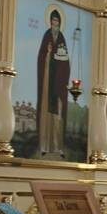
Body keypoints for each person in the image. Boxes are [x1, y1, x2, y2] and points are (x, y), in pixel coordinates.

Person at [36, 9, 71, 158]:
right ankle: (45, 145)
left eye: (56, 21)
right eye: (53, 21)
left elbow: (66, 61)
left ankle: (58, 147)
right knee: (46, 111)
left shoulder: (61, 37)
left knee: (58, 113)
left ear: (60, 23)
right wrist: (49, 53)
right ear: (50, 22)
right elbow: (41, 56)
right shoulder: (47, 35)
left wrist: (61, 66)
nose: (54, 23)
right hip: (48, 81)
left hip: (59, 83)